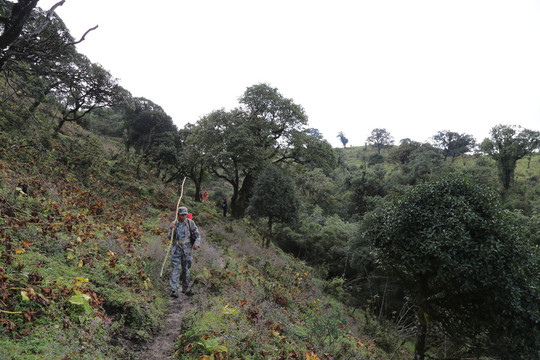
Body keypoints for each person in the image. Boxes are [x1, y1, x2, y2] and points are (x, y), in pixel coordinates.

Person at [168, 206, 200, 297]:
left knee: (186, 269)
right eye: (182, 215)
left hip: (187, 250)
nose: (184, 216)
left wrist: (196, 243)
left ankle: (185, 288)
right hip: (176, 249)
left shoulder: (191, 223)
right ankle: (174, 289)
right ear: (178, 215)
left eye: (185, 215)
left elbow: (197, 235)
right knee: (175, 269)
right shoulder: (173, 223)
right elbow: (169, 238)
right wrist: (172, 229)